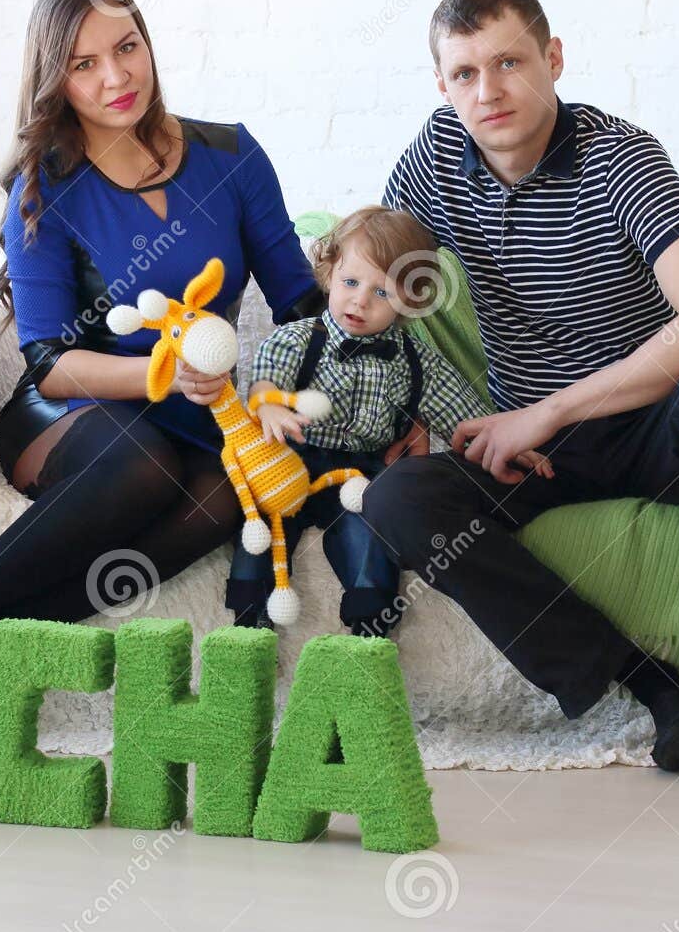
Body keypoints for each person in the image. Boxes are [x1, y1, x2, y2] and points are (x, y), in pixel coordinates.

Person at [363, 0, 679, 781]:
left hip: (654, 427)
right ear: (441, 84)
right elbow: (373, 285)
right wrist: (394, 408)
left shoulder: (618, 156)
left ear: (553, 58)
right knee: (400, 497)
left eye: (508, 63)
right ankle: (659, 693)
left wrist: (545, 409)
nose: (488, 91)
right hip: (537, 456)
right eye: (464, 73)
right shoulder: (437, 154)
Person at [0, 0, 334, 629]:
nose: (117, 77)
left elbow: (299, 303)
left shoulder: (233, 157)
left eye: (127, 48)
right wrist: (167, 377)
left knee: (227, 497)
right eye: (85, 64)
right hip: (71, 412)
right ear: (56, 81)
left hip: (196, 415)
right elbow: (48, 359)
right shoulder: (42, 189)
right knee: (145, 463)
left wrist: (362, 381)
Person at [225, 205, 551, 636]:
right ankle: (249, 618)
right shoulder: (298, 339)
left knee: (373, 537)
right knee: (262, 521)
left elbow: (465, 413)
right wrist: (268, 407)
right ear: (328, 273)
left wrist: (512, 441)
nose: (360, 300)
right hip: (293, 461)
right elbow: (267, 380)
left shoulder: (418, 362)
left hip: (362, 473)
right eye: (351, 282)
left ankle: (368, 627)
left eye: (382, 293)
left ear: (411, 300)